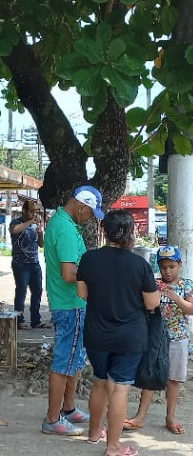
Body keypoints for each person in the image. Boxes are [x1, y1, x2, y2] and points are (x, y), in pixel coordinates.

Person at [76, 210, 160, 456]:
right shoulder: (139, 264)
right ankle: (113, 447)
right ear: (131, 234)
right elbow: (152, 303)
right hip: (130, 336)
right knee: (120, 388)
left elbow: (82, 294)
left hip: (96, 333)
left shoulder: (89, 259)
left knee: (100, 382)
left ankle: (93, 434)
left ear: (105, 231)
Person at [41, 185, 105, 436]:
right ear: (81, 206)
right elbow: (69, 274)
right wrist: (96, 276)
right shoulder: (66, 229)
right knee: (63, 363)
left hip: (73, 305)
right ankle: (52, 418)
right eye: (90, 213)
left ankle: (67, 409)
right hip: (70, 306)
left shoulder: (64, 223)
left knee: (74, 360)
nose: (90, 218)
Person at [124, 245, 193, 435]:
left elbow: (191, 309)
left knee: (174, 379)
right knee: (151, 375)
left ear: (179, 265)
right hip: (156, 338)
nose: (168, 271)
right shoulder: (154, 285)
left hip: (178, 339)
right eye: (164, 267)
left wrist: (175, 297)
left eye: (172, 266)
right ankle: (140, 417)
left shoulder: (187, 286)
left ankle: (170, 417)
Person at [9, 200, 49, 330]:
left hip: (34, 263)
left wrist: (40, 234)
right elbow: (14, 230)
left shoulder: (34, 225)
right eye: (31, 211)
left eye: (35, 211)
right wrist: (29, 223)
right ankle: (19, 320)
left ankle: (36, 320)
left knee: (37, 291)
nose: (34, 214)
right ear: (24, 211)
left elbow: (41, 244)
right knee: (21, 291)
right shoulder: (17, 222)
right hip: (21, 264)